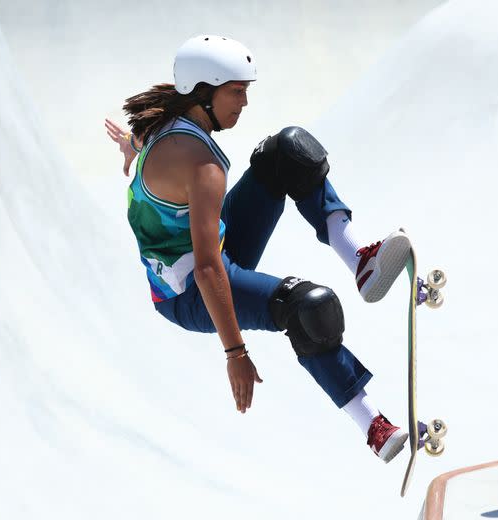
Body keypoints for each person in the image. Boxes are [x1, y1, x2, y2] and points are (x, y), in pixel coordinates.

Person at [105, 34, 413, 463]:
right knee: (307, 306)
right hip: (191, 295)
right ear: (202, 92)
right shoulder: (203, 166)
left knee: (288, 150)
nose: (244, 103)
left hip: (214, 252)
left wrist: (130, 147)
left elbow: (144, 146)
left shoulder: (160, 127)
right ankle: (373, 426)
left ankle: (359, 259)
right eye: (236, 92)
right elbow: (210, 270)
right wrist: (235, 353)